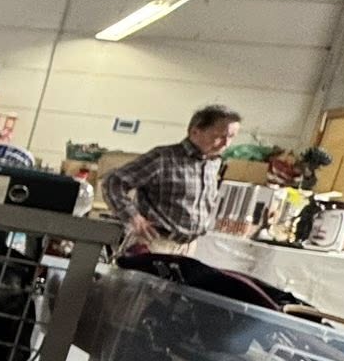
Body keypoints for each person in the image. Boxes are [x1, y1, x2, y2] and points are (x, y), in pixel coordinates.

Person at [102, 103, 244, 253]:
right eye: (219, 136)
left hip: (188, 247)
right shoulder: (163, 158)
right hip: (155, 243)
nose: (226, 144)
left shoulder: (213, 163)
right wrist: (133, 217)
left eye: (231, 137)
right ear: (195, 131)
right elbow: (114, 182)